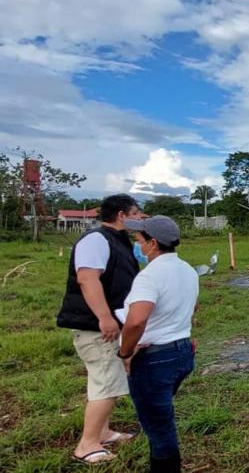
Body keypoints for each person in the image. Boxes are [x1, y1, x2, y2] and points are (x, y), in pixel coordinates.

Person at [57, 194, 142, 464]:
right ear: (121, 215)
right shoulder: (96, 240)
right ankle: (87, 445)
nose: (139, 219)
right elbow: (87, 279)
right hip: (96, 327)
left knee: (108, 380)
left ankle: (102, 432)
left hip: (109, 324)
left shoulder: (117, 240)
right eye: (136, 214)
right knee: (106, 382)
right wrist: (104, 317)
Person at [116, 215, 199, 472]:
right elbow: (193, 306)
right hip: (182, 352)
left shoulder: (150, 276)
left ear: (152, 244)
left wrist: (125, 352)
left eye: (139, 240)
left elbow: (136, 321)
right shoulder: (187, 270)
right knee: (160, 414)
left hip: (154, 359)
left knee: (160, 429)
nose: (137, 245)